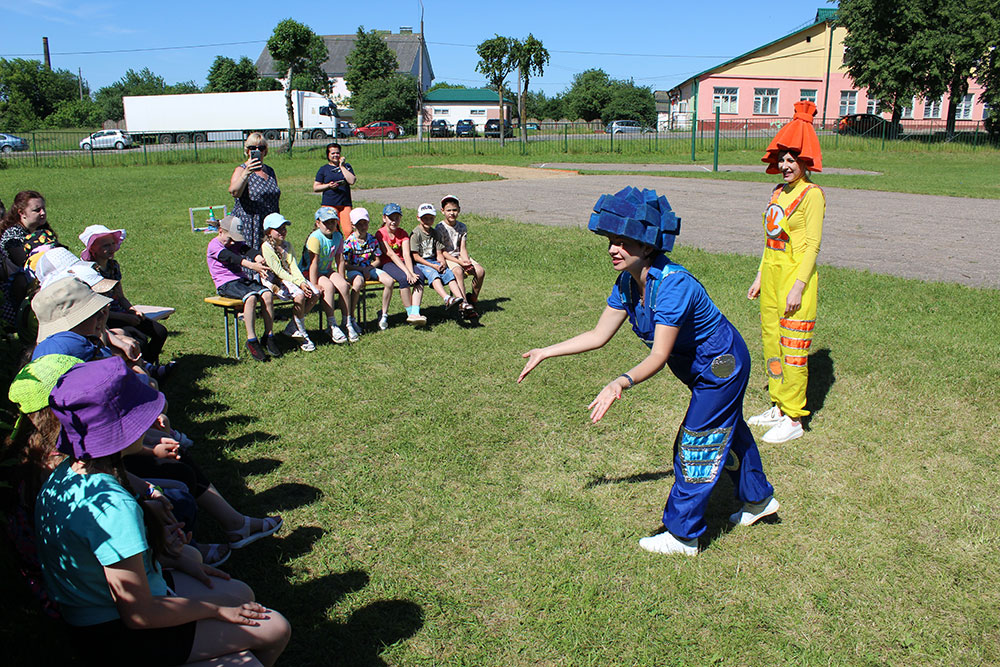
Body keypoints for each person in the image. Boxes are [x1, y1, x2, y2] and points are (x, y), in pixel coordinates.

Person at [518, 187, 779, 556]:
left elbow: (658, 355)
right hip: (692, 363)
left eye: (623, 242)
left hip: (722, 363)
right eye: (611, 240)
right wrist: (547, 351)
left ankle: (683, 536)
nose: (613, 249)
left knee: (697, 442)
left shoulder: (673, 286)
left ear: (647, 245)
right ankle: (758, 500)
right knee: (728, 429)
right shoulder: (627, 282)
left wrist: (619, 382)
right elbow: (598, 334)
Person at [35, 356, 291, 666]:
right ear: (119, 431)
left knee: (240, 592)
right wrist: (215, 610)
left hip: (97, 613)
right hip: (120, 636)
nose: (153, 423)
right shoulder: (114, 504)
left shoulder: (66, 472)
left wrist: (172, 557)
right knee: (275, 627)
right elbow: (140, 614)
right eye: (139, 417)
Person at [746, 100, 826, 444]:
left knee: (793, 350)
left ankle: (794, 417)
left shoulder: (813, 195)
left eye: (793, 159)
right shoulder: (777, 192)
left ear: (805, 161)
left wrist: (798, 286)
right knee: (772, 345)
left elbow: (812, 247)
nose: (785, 165)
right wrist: (761, 276)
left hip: (796, 283)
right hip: (773, 279)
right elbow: (770, 241)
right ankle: (778, 404)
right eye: (783, 159)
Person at [80, 224, 171, 368]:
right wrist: (125, 318)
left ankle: (148, 366)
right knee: (138, 340)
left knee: (160, 331)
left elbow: (120, 296)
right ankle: (139, 368)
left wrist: (132, 310)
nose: (111, 248)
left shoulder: (113, 266)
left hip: (120, 312)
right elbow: (97, 310)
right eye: (105, 245)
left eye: (112, 244)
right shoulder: (87, 272)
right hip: (105, 319)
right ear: (93, 249)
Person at [206, 214, 277, 362]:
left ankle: (269, 335)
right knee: (251, 298)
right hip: (226, 284)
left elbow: (247, 250)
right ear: (220, 232)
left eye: (235, 239)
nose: (233, 243)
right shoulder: (214, 246)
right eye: (230, 239)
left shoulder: (234, 242)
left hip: (242, 280)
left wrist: (258, 257)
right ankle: (252, 340)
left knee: (267, 295)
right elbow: (233, 258)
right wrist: (253, 266)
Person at [260, 213, 319, 352]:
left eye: (284, 228)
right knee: (300, 295)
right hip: (276, 281)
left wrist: (302, 282)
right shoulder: (266, 247)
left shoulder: (288, 245)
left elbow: (293, 266)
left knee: (315, 293)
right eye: (278, 229)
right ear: (269, 231)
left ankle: (294, 325)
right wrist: (299, 284)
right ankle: (302, 332)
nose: (283, 231)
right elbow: (278, 271)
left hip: (291, 278)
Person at [409, 203, 476, 319]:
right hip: (422, 263)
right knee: (434, 275)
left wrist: (442, 262)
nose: (428, 221)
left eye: (430, 218)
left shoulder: (435, 233)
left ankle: (463, 301)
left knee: (448, 274)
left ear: (434, 218)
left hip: (433, 261)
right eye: (425, 218)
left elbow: (439, 252)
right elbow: (416, 257)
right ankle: (447, 298)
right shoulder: (416, 234)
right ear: (418, 218)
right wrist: (433, 266)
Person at [229, 133, 280, 278]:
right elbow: (234, 192)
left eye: (261, 148)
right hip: (249, 224)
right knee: (252, 261)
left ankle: (267, 291)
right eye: (253, 148)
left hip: (268, 223)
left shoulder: (269, 171)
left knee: (269, 259)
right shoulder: (241, 170)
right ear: (247, 150)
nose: (257, 151)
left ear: (265, 151)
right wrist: (246, 173)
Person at [300, 207, 353, 344]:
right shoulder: (315, 238)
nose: (330, 225)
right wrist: (314, 284)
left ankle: (347, 322)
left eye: (333, 222)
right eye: (326, 222)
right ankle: (332, 325)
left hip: (327, 269)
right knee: (328, 287)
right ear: (318, 223)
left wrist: (342, 278)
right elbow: (313, 264)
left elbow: (339, 259)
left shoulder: (338, 236)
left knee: (343, 286)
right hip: (310, 271)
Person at [343, 208, 396, 331]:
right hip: (354, 269)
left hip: (369, 267)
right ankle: (351, 317)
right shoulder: (349, 242)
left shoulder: (372, 240)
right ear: (353, 225)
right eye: (359, 224)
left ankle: (384, 315)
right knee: (358, 283)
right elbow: (346, 264)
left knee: (389, 281)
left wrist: (368, 268)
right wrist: (361, 270)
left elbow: (378, 260)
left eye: (365, 223)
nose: (362, 226)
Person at [0, 190, 50, 323]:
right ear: (22, 213)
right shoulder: (13, 235)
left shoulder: (43, 232)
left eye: (43, 208)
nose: (43, 213)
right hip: (17, 290)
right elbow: (24, 261)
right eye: (37, 210)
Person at [375, 203, 426, 326]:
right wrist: (408, 273)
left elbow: (406, 254)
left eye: (397, 218)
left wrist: (412, 272)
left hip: (402, 261)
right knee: (404, 278)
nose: (394, 221)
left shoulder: (403, 233)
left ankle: (415, 311)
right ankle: (410, 313)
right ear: (384, 218)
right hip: (388, 263)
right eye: (391, 218)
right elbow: (391, 255)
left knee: (419, 277)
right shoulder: (380, 234)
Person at [436, 194, 485, 315]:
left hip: (459, 256)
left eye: (454, 210)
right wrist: (459, 262)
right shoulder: (440, 227)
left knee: (480, 271)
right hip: (448, 257)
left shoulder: (462, 227)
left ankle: (473, 298)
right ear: (442, 211)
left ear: (459, 210)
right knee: (458, 272)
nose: (452, 213)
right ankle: (463, 304)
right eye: (448, 210)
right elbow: (443, 252)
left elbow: (462, 247)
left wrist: (466, 261)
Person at [312, 142, 357, 237]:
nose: (335, 155)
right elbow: (316, 187)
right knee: (332, 230)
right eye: (333, 153)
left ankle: (347, 250)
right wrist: (328, 185)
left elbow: (352, 180)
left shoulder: (347, 166)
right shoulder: (324, 169)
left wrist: (341, 166)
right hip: (329, 204)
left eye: (337, 153)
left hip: (345, 204)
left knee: (348, 230)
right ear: (328, 155)